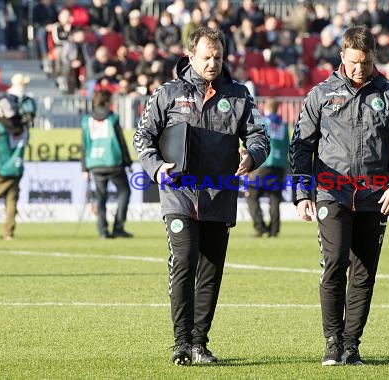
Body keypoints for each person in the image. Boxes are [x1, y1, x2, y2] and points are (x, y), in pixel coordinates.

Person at [132, 26, 269, 366]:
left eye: (218, 57)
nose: (212, 63)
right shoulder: (167, 93)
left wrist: (252, 155)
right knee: (184, 260)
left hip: (219, 194)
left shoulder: (239, 95)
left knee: (210, 270)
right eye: (206, 57)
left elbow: (260, 136)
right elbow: (142, 137)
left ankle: (199, 343)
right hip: (178, 192)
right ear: (190, 56)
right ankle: (181, 343)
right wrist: (156, 167)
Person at [289, 26, 389, 366]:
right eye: (352, 62)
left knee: (363, 273)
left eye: (365, 62)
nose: (359, 69)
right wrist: (303, 192)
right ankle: (332, 342)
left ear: (374, 57)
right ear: (342, 56)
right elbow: (301, 145)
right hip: (330, 194)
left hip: (374, 197)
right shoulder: (320, 94)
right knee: (335, 264)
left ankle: (351, 345)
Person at [0, 74, 36, 239]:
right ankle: (8, 232)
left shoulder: (0, 127)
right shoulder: (24, 129)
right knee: (11, 201)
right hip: (16, 167)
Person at [81, 89, 133, 239]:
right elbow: (121, 142)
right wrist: (127, 161)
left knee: (101, 197)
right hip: (113, 161)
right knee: (124, 192)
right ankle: (118, 227)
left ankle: (103, 230)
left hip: (95, 163)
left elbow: (84, 145)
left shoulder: (87, 120)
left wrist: (84, 168)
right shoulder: (112, 118)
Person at [246, 98, 289, 238]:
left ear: (266, 108)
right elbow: (288, 145)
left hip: (265, 164)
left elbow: (257, 141)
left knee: (251, 195)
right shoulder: (283, 124)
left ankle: (260, 227)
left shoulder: (263, 121)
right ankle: (274, 230)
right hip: (280, 165)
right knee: (274, 198)